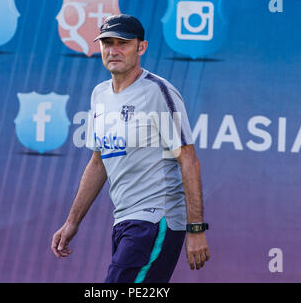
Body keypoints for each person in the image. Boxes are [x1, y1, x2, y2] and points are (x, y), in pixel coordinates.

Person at [51, 14, 210, 283]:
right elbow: (98, 163)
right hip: (124, 221)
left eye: (122, 43)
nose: (113, 50)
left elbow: (188, 160)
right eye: (107, 43)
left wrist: (195, 229)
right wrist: (72, 222)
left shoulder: (158, 92)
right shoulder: (99, 95)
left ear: (141, 47)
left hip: (157, 219)